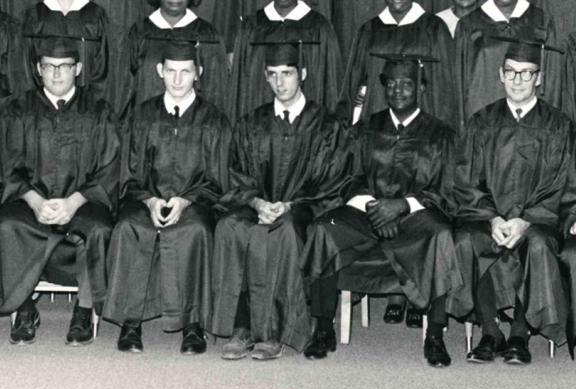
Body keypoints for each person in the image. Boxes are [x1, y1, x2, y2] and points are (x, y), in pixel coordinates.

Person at [301, 56, 459, 367]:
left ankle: (436, 335)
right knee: (323, 225)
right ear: (384, 88)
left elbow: (449, 189)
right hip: (365, 213)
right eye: (391, 84)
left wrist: (401, 206)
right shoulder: (365, 128)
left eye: (407, 84)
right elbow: (347, 177)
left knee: (442, 235)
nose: (398, 90)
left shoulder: (441, 134)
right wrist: (374, 207)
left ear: (421, 88)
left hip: (418, 216)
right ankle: (322, 327)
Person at [212, 42, 346, 361]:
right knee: (230, 226)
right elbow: (235, 172)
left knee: (281, 231)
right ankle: (241, 326)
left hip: (303, 210)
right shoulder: (252, 122)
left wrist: (289, 206)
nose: (280, 82)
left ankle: (272, 331)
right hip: (257, 204)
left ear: (303, 74)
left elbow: (332, 180)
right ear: (265, 77)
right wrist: (257, 203)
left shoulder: (325, 125)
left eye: (287, 74)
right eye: (273, 75)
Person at [451, 39, 576, 364]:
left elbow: (564, 182)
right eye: (511, 72)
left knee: (536, 245)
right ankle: (490, 331)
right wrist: (492, 218)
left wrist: (525, 219)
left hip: (538, 220)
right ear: (500, 75)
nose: (518, 80)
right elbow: (465, 179)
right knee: (466, 239)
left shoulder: (558, 125)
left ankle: (520, 333)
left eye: (526, 73)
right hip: (487, 216)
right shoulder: (481, 122)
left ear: (539, 78)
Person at [104, 41, 231, 354]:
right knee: (129, 228)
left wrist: (185, 201)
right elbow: (129, 173)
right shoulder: (142, 116)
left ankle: (193, 324)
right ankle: (130, 322)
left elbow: (219, 179)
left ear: (197, 73)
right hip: (145, 200)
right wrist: (150, 200)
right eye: (171, 71)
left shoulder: (214, 119)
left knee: (196, 231)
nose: (177, 79)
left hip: (196, 203)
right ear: (160, 71)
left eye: (185, 71)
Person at [0, 37, 120, 345]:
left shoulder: (98, 110)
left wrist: (75, 201)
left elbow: (110, 167)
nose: (56, 74)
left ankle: (83, 310)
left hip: (83, 201)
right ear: (38, 70)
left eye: (64, 66)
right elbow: (8, 165)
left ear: (77, 68)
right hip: (32, 200)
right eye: (49, 67)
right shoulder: (18, 110)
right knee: (7, 224)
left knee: (100, 228)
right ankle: (24, 307)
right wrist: (33, 198)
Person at [339, 0, 456, 128]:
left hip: (423, 126)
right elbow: (352, 84)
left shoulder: (434, 28)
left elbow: (446, 86)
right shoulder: (369, 30)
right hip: (375, 126)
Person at [454, 0, 561, 129]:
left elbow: (552, 82)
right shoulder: (469, 25)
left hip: (532, 128)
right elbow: (459, 84)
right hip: (484, 127)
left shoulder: (541, 21)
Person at [229, 0, 342, 123]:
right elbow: (239, 87)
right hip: (259, 129)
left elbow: (331, 84)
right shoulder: (252, 26)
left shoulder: (319, 27)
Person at [126, 0, 228, 118]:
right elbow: (128, 88)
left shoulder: (207, 34)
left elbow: (216, 89)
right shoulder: (140, 32)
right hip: (147, 125)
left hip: (195, 127)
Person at [22, 0, 109, 99]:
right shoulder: (35, 15)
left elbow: (102, 69)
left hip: (86, 109)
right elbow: (28, 67)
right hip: (43, 107)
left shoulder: (96, 15)